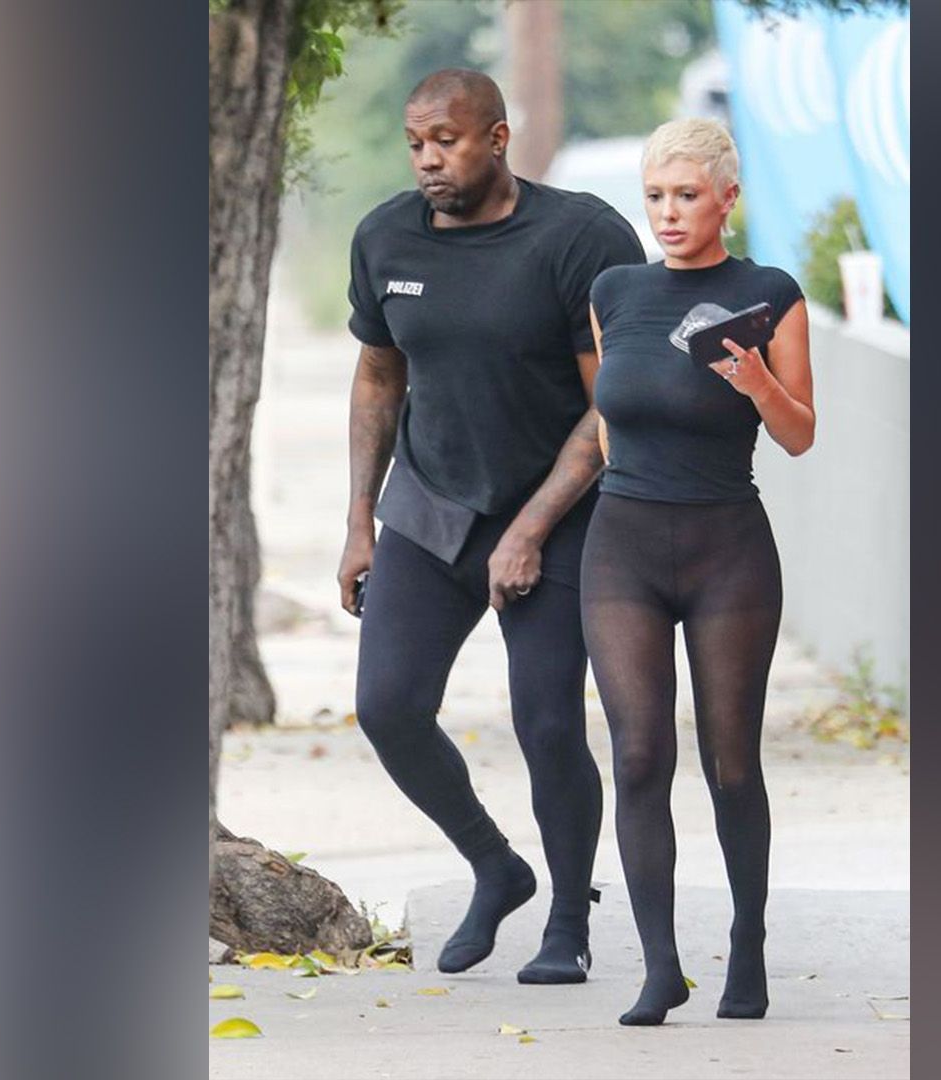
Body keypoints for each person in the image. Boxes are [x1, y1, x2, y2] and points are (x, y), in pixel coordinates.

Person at [339, 69, 645, 983]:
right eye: (416, 143)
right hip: (432, 509)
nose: (429, 159)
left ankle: (568, 916)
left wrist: (532, 529)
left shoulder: (579, 236)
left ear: (499, 139)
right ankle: (495, 866)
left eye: (448, 140)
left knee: (548, 722)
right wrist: (360, 521)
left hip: (559, 514)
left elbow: (611, 408)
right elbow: (378, 378)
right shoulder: (386, 235)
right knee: (388, 707)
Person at [582, 118, 816, 1025]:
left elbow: (798, 433)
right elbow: (611, 416)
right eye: (655, 197)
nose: (670, 213)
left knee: (731, 765)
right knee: (639, 755)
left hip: (728, 548)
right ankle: (659, 967)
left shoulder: (769, 291)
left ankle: (747, 949)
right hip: (624, 545)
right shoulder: (615, 290)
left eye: (687, 195)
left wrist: (756, 382)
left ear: (728, 197)